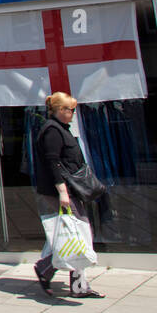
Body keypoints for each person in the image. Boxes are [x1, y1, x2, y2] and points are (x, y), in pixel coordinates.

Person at [33, 91, 104, 298]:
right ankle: (52, 272)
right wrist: (62, 191)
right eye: (71, 110)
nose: (73, 113)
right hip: (61, 192)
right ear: (61, 110)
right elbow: (53, 162)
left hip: (70, 191)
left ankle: (61, 276)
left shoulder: (61, 129)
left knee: (76, 235)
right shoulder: (52, 131)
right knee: (77, 235)